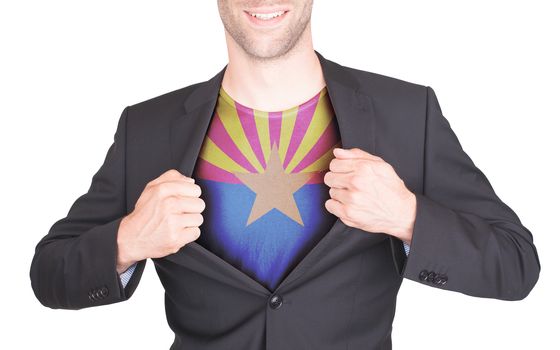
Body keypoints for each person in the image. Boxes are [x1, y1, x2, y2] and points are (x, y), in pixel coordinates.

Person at [29, 1, 541, 349]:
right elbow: (49, 274)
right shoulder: (147, 127)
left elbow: (516, 265)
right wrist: (128, 239)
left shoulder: (407, 113)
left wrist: (408, 216)